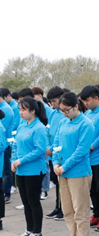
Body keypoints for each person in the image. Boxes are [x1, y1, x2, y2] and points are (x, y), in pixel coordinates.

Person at [53, 92, 94, 236]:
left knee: (80, 212)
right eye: (61, 110)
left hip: (78, 172)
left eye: (67, 110)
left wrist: (65, 166)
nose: (64, 113)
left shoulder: (86, 124)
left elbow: (81, 150)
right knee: (68, 211)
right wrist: (55, 163)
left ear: (76, 106)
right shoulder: (63, 122)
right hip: (62, 172)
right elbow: (56, 143)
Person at [12, 98, 48, 236]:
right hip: (21, 170)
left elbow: (40, 150)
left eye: (23, 109)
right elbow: (16, 145)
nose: (20, 112)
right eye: (19, 110)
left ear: (32, 111)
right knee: (26, 202)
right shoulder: (22, 126)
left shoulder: (39, 128)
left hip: (34, 170)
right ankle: (29, 229)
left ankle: (37, 231)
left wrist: (21, 160)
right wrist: (14, 161)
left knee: (34, 202)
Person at [80, 85, 99, 232]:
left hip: (98, 157)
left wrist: (91, 147)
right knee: (92, 189)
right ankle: (96, 214)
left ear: (96, 98)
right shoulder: (87, 114)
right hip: (88, 159)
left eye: (87, 100)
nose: (85, 104)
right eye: (84, 101)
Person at [45, 86, 66, 221]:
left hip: (60, 151)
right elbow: (49, 131)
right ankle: (57, 207)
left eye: (54, 101)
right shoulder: (53, 114)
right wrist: (48, 147)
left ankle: (63, 208)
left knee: (62, 182)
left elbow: (61, 135)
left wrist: (53, 148)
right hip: (52, 152)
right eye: (50, 102)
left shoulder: (65, 114)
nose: (52, 104)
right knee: (57, 181)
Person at [0, 92, 15, 205]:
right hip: (4, 143)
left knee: (6, 171)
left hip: (6, 144)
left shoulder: (6, 109)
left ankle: (6, 193)